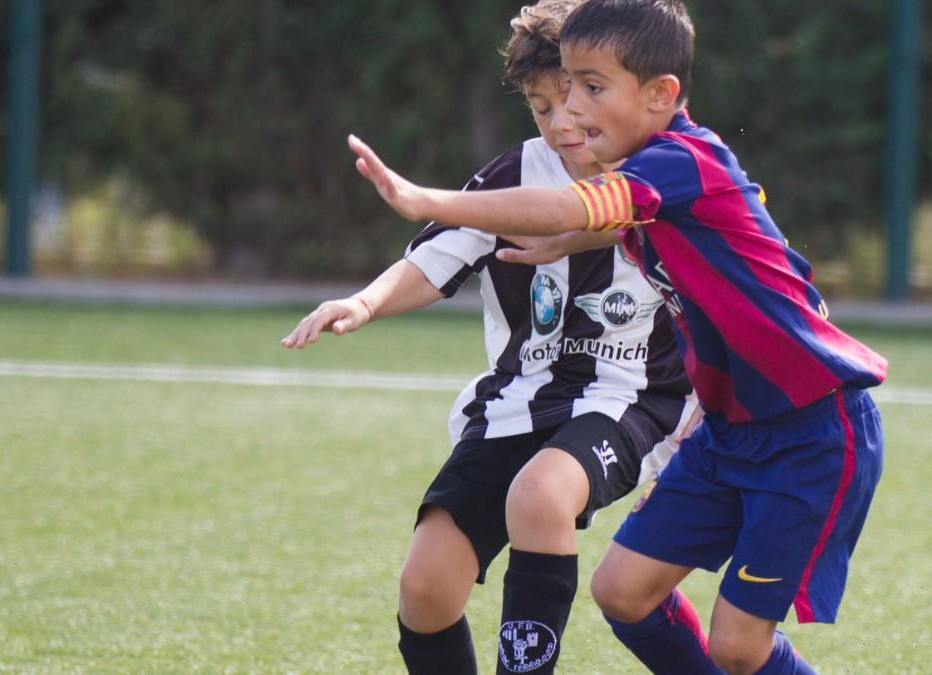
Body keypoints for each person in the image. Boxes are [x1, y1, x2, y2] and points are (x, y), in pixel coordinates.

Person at [345, 1, 888, 673]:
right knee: (622, 591)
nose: (569, 110)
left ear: (661, 95)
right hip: (727, 432)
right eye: (562, 91)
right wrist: (565, 241)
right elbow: (603, 219)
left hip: (810, 427)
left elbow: (578, 204)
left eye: (590, 89)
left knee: (738, 647)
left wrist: (429, 200)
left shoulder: (681, 161)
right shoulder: (648, 179)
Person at [282, 2, 704, 673]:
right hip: (519, 398)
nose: (563, 122)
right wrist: (365, 301)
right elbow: (437, 258)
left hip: (630, 398)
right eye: (541, 107)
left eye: (577, 98)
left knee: (540, 496)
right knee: (426, 587)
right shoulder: (512, 178)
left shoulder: (667, 173)